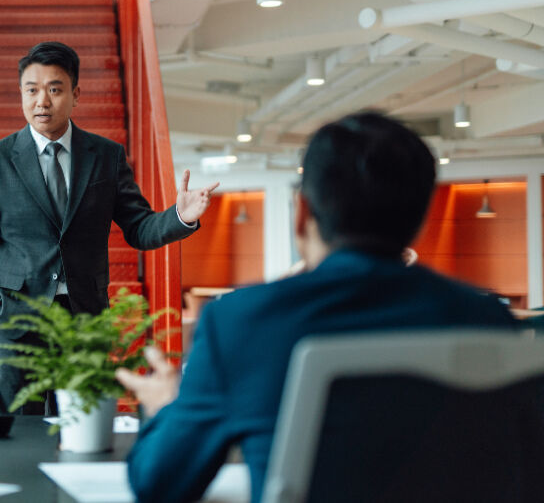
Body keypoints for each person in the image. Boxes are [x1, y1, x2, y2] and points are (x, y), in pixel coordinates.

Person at [116, 111, 518, 503]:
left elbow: (159, 484)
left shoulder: (243, 322)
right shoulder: (486, 321)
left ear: (303, 212)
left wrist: (171, 406)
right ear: (422, 217)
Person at [0, 41, 219, 414]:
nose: (41, 101)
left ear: (75, 94)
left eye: (54, 89)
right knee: (16, 434)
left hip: (85, 319)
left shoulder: (106, 156)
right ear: (21, 94)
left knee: (80, 429)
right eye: (31, 90)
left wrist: (181, 217)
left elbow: (139, 227)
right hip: (16, 319)